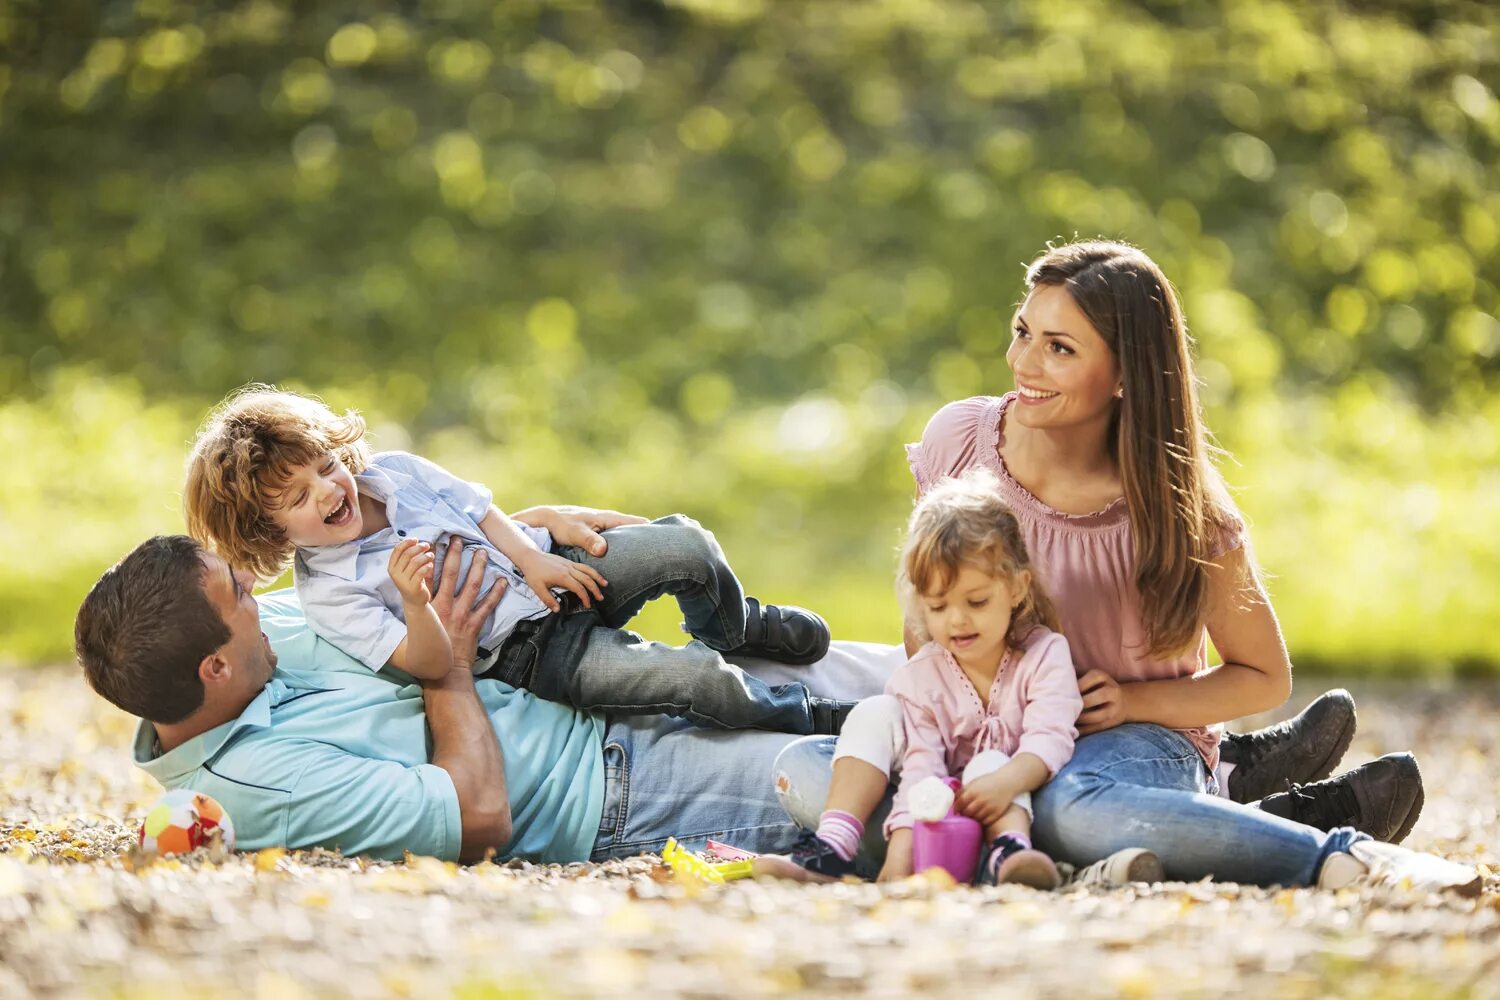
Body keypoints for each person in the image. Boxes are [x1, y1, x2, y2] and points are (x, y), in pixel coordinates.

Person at [773, 240, 1478, 894]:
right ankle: (1173, 833)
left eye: (1059, 349)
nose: (1024, 365)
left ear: (1124, 375)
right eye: (1023, 333)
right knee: (809, 770)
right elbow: (926, 616)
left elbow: (1264, 674)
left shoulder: (1178, 508)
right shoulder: (960, 440)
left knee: (1069, 807)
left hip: (1130, 740)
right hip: (981, 733)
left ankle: (1335, 852)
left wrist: (1133, 702)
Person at [76, 522, 883, 863]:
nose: (257, 584)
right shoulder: (257, 788)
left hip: (598, 672)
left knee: (924, 682)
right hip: (610, 789)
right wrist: (448, 671)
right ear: (212, 670)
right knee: (873, 781)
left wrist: (529, 527)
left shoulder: (265, 637)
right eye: (237, 593)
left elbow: (422, 574)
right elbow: (478, 817)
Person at [180, 387, 853, 736]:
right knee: (692, 682)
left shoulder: (395, 472)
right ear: (267, 530)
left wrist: (535, 558)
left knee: (686, 544)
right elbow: (423, 665)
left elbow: (478, 511)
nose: (330, 489)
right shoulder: (331, 595)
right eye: (300, 496)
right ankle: (808, 718)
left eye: (327, 466)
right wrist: (416, 604)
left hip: (547, 575)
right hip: (527, 654)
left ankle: (736, 627)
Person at [777, 472, 1082, 889]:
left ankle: (1010, 854)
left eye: (976, 601)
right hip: (935, 806)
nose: (958, 619)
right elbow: (922, 768)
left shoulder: (1044, 655)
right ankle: (833, 848)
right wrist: (904, 848)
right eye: (939, 606)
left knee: (992, 762)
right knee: (871, 714)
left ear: (1016, 588)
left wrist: (1005, 782)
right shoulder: (920, 677)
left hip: (1017, 790)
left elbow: (1050, 738)